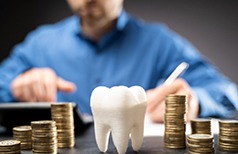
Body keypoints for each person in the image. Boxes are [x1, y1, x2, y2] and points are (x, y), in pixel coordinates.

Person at [0, 0, 237, 123]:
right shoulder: (40, 44)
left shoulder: (160, 43)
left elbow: (227, 92)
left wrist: (194, 101)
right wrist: (15, 86)